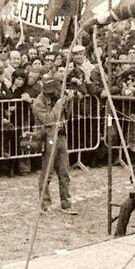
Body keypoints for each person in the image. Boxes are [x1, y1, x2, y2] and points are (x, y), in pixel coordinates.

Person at [31, 79, 76, 213]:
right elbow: (49, 120)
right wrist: (58, 105)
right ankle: (45, 203)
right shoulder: (38, 103)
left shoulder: (57, 98)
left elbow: (67, 115)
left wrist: (68, 102)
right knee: (47, 173)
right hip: (48, 138)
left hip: (61, 136)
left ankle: (66, 203)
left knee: (64, 172)